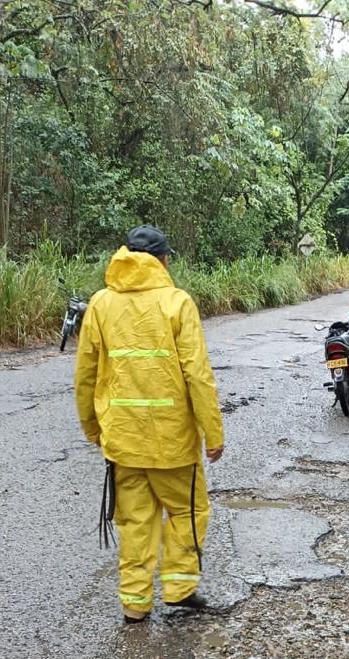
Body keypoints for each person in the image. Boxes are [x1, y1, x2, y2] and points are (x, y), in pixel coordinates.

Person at [74, 225, 224, 622]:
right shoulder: (177, 302)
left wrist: (92, 427)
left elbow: (85, 374)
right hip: (172, 442)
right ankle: (178, 588)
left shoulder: (101, 304)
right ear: (162, 260)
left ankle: (135, 605)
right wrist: (213, 432)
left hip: (122, 440)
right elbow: (198, 374)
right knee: (188, 512)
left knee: (135, 523)